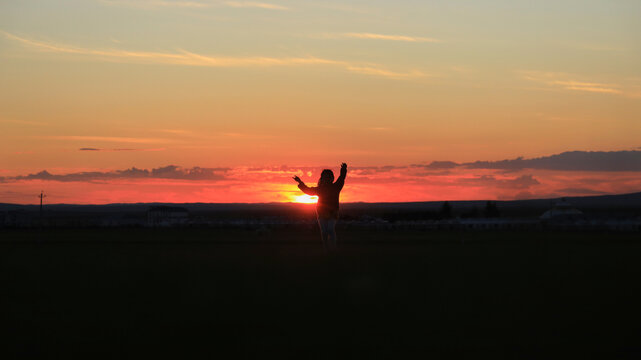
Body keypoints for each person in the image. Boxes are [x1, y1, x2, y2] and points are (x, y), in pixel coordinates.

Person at [293, 163, 347, 252]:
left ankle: (333, 249)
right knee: (324, 232)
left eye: (328, 177)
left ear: (332, 178)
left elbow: (341, 178)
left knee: (330, 229)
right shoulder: (320, 189)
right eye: (325, 177)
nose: (327, 179)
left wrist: (344, 169)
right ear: (322, 178)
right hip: (321, 213)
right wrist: (300, 182)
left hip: (333, 213)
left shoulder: (336, 187)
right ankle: (326, 249)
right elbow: (308, 190)